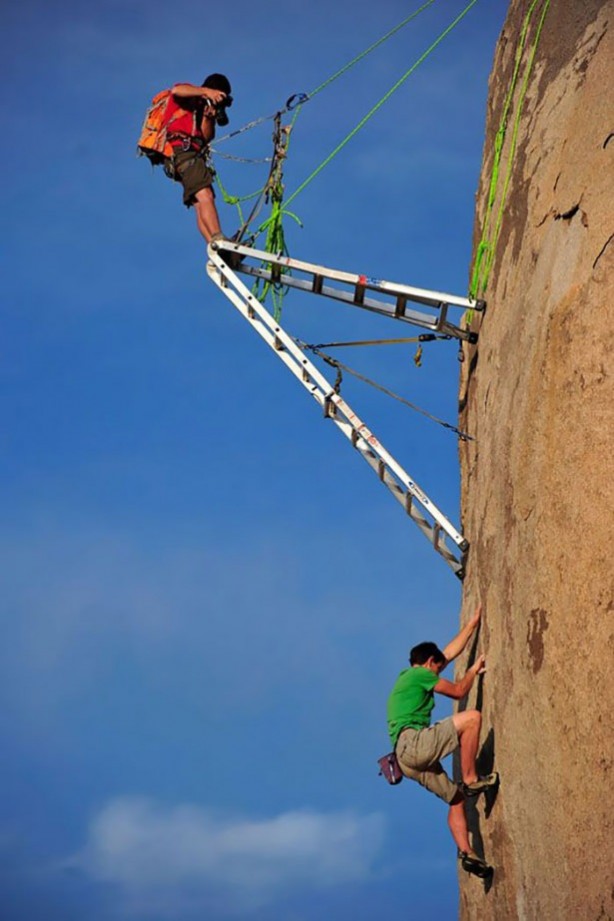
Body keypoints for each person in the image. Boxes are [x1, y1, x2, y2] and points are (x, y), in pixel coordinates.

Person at [386, 605, 498, 878]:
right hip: (414, 744)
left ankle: (468, 853)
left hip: (406, 760)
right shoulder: (420, 675)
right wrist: (473, 670)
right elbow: (459, 691)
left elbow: (446, 654)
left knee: (455, 799)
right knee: (471, 718)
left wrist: (472, 625)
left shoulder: (411, 677)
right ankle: (471, 779)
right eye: (437, 668)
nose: (439, 673)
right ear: (427, 664)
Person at [164, 73, 241, 263]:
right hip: (182, 152)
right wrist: (207, 92)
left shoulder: (201, 108)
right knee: (205, 195)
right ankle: (219, 238)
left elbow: (206, 138)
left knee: (200, 203)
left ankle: (215, 248)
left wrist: (208, 118)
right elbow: (176, 90)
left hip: (187, 156)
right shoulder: (190, 93)